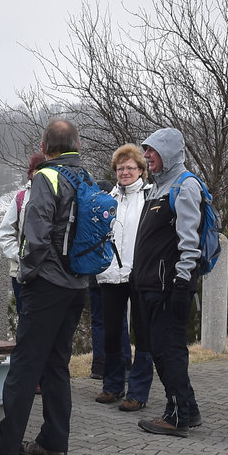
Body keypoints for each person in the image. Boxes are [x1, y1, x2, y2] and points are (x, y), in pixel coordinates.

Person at [0, 120, 94, 455]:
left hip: (47, 284)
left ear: (44, 146)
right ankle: (54, 444)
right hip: (78, 284)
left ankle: (3, 449)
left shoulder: (47, 178)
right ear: (77, 145)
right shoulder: (86, 178)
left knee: (24, 365)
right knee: (57, 365)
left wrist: (26, 274)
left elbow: (35, 237)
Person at [128, 128, 209, 437]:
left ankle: (176, 417)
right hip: (151, 285)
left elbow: (190, 241)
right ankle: (188, 409)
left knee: (168, 351)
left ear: (170, 152)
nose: (147, 155)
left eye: (153, 150)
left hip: (170, 287)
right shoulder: (157, 188)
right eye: (146, 149)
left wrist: (182, 283)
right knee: (161, 349)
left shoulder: (185, 186)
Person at [94, 144, 153, 412]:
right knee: (111, 333)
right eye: (120, 168)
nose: (125, 172)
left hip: (140, 274)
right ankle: (112, 385)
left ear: (141, 170)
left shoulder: (150, 197)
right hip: (110, 274)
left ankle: (138, 392)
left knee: (143, 333)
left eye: (130, 168)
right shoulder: (107, 199)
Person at [0, 152, 46, 320]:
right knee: (25, 319)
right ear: (31, 172)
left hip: (49, 273)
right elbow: (5, 233)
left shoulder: (57, 196)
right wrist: (21, 255)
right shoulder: (21, 198)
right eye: (38, 170)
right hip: (21, 272)